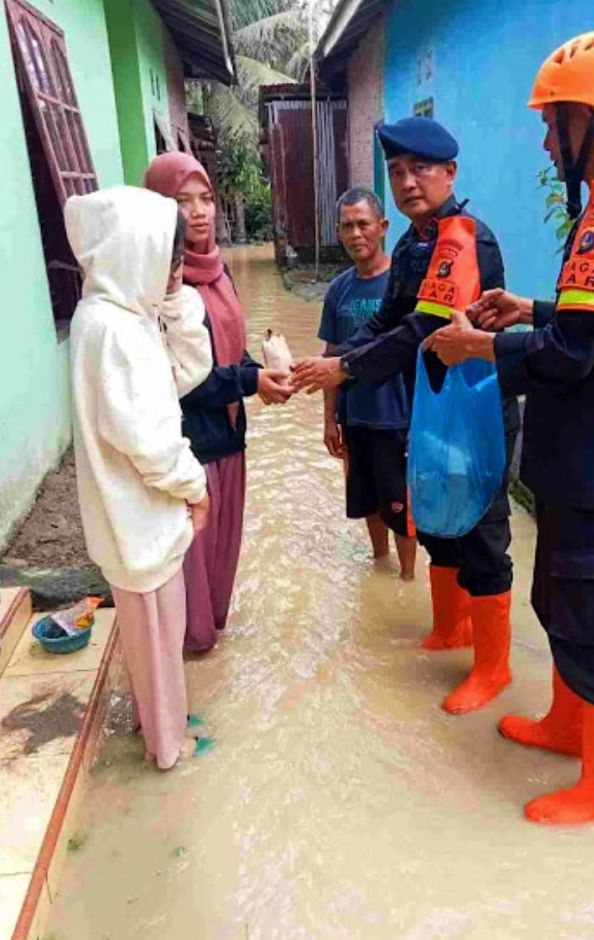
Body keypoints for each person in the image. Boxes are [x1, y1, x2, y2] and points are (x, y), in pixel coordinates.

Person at [425, 30, 594, 824]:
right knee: (562, 604)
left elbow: (573, 354)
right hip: (589, 457)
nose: (543, 138)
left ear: (593, 118)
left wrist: (482, 344)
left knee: (593, 624)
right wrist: (530, 308)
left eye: (552, 121)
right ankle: (571, 727)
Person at [293, 118, 519, 715]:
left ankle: (492, 667)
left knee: (484, 536)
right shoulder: (416, 242)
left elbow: (422, 330)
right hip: (429, 411)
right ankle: (451, 629)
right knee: (438, 523)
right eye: (397, 172)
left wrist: (347, 371)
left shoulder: (464, 238)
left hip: (474, 414)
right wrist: (334, 357)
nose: (409, 181)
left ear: (450, 173)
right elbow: (387, 320)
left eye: (421, 169)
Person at [66, 186, 213, 770]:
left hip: (133, 522)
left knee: (153, 641)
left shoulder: (113, 315)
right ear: (135, 253)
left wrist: (175, 301)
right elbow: (148, 440)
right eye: (168, 260)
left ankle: (159, 722)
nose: (173, 272)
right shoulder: (117, 331)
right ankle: (167, 750)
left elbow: (182, 375)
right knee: (156, 641)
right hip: (139, 522)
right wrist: (195, 485)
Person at [145, 153, 293, 653]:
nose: (200, 212)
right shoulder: (161, 286)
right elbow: (191, 382)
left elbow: (230, 346)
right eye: (182, 202)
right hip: (192, 443)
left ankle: (210, 644)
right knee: (195, 553)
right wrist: (250, 382)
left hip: (231, 434)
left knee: (223, 547)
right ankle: (190, 648)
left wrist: (260, 375)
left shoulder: (218, 271)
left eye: (204, 199)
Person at [319, 187, 417, 580]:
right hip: (356, 418)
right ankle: (380, 568)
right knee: (367, 503)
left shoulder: (403, 284)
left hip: (398, 418)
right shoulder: (338, 290)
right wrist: (329, 419)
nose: (355, 234)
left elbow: (421, 356)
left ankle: (408, 578)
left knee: (401, 507)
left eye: (363, 224)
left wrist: (419, 423)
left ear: (382, 227)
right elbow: (330, 359)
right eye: (347, 226)